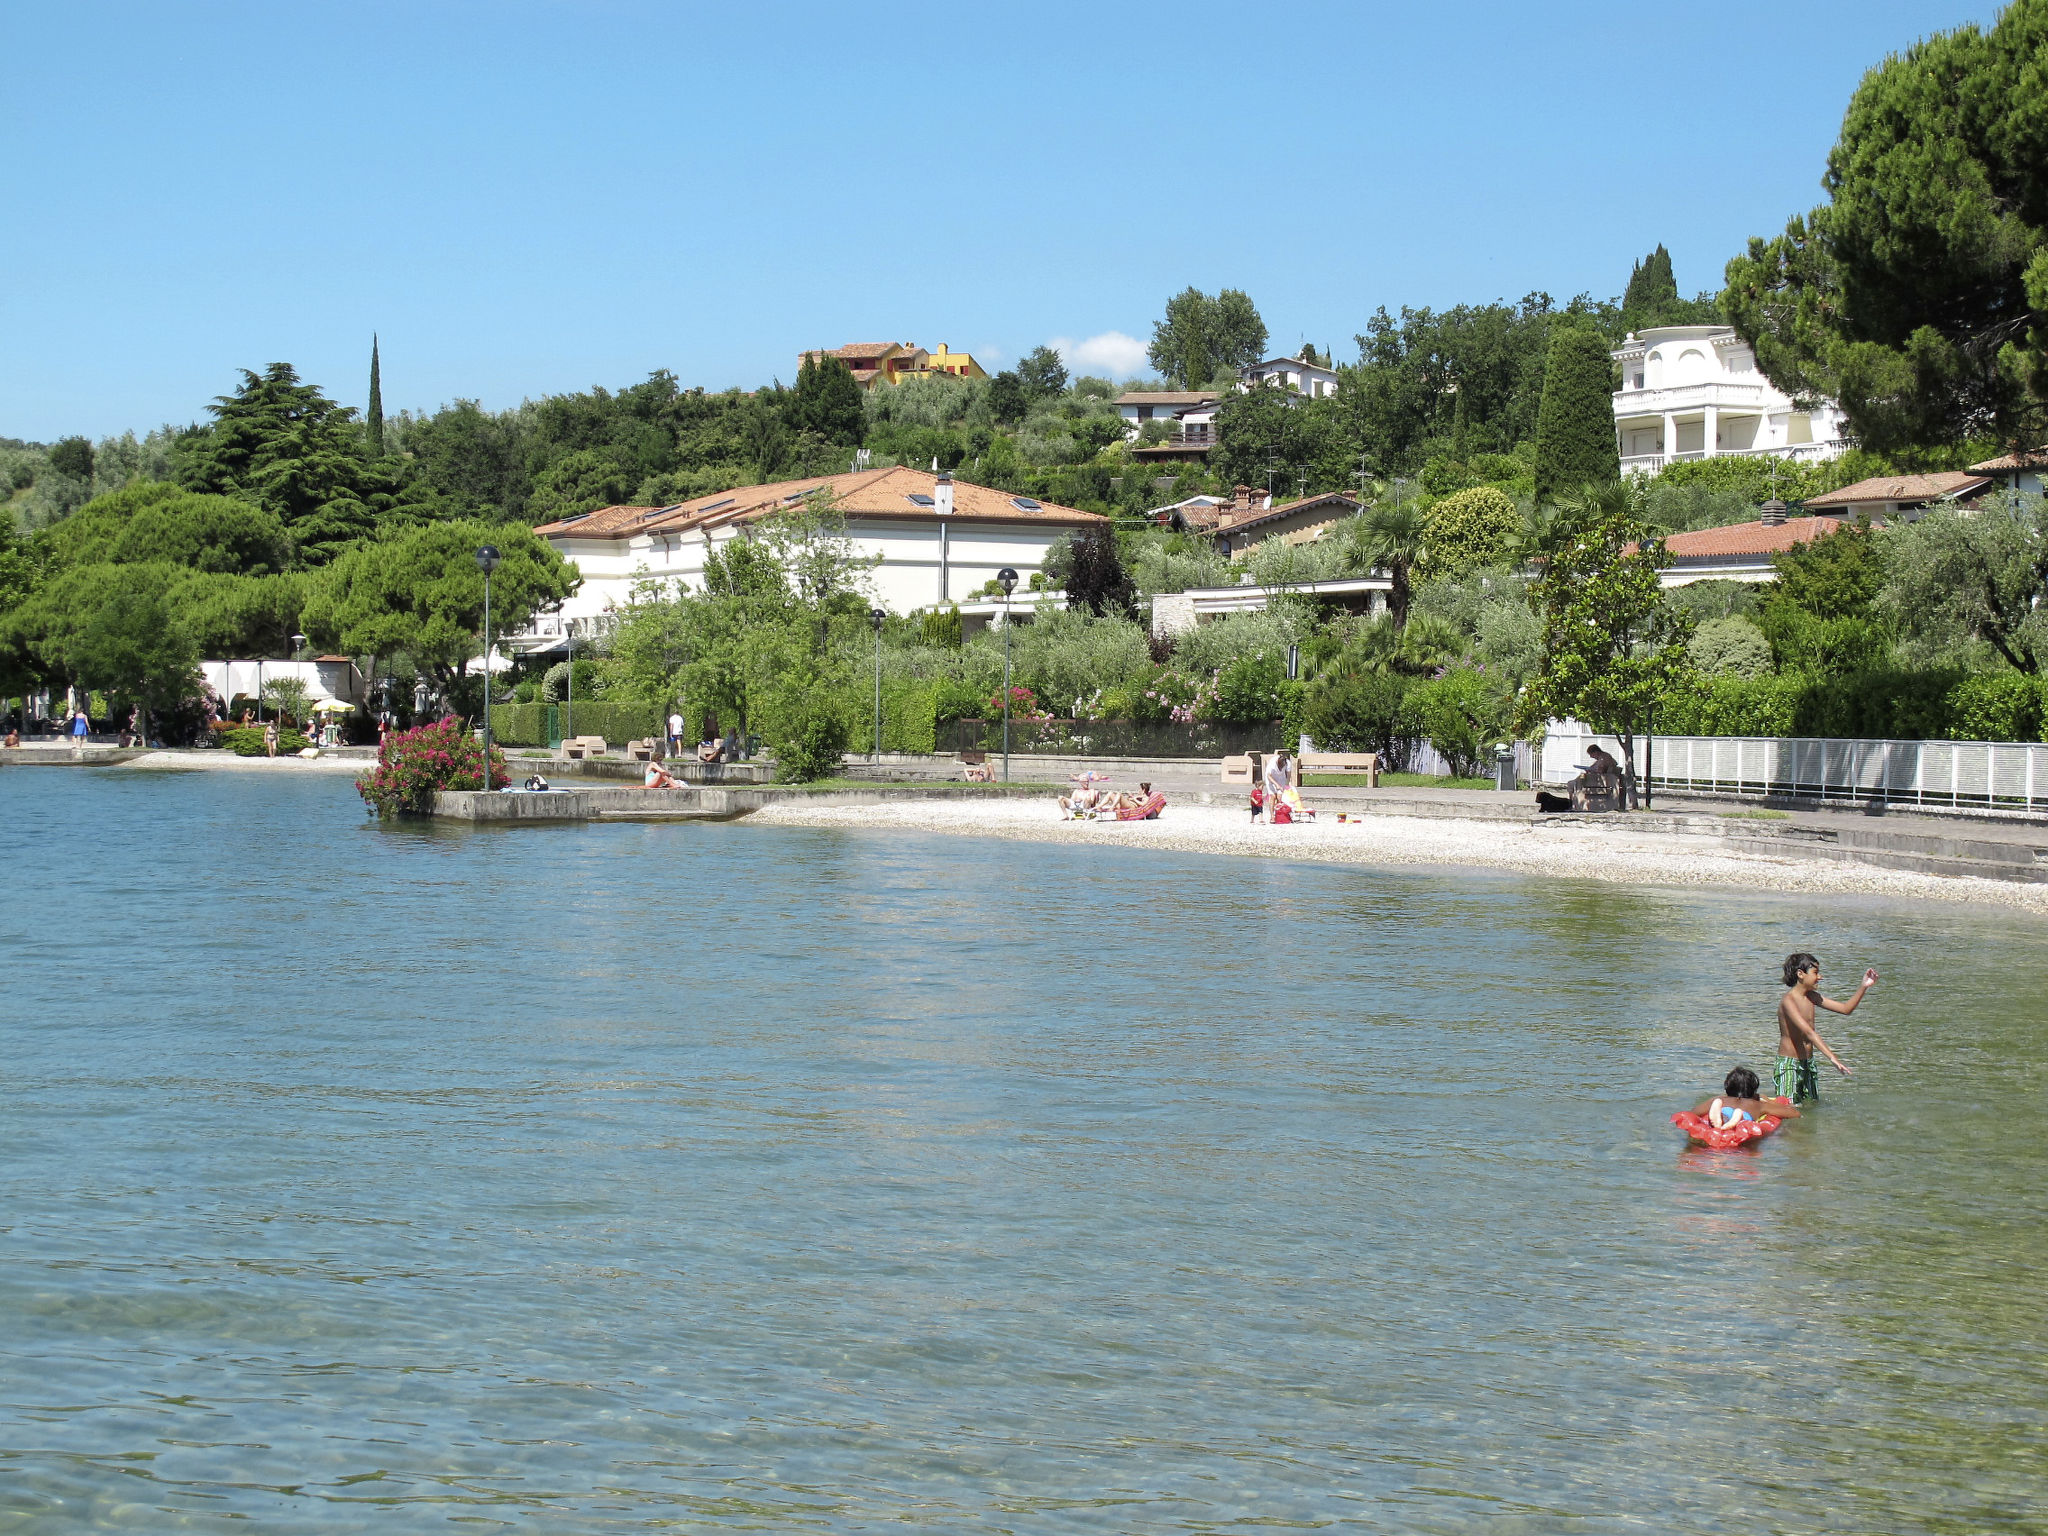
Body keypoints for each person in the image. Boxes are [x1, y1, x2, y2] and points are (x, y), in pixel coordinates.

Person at [1775, 952, 1870, 1104]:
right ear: (1801, 974)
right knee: (1788, 1109)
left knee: (1811, 1106)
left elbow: (1846, 1009)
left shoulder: (1812, 997)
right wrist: (1833, 1058)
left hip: (1808, 1063)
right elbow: (1809, 1032)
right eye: (1816, 972)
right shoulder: (1788, 1001)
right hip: (1789, 1065)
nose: (1820, 977)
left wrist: (1864, 986)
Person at [1690, 1066, 1800, 1129]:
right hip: (1745, 1116)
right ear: (1754, 1090)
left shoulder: (1720, 1099)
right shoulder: (1758, 1105)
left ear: (1727, 1088)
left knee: (1724, 1114)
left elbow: (1693, 1113)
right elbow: (1794, 1114)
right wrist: (1765, 1100)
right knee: (1742, 1119)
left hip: (1724, 1110)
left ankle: (1721, 1119)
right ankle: (1736, 1118)